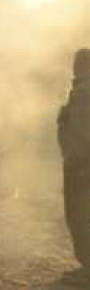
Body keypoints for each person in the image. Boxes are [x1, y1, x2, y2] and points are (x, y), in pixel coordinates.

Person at [58, 48, 90, 267]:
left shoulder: (83, 93)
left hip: (81, 164)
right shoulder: (80, 90)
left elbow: (80, 131)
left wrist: (76, 162)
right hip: (81, 161)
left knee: (79, 215)